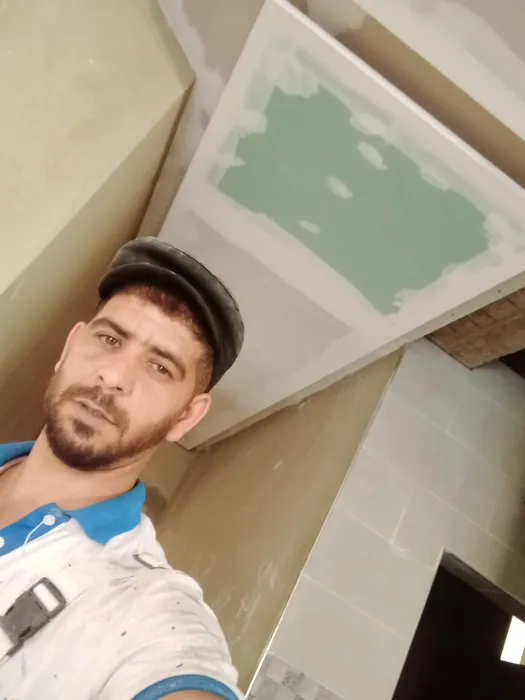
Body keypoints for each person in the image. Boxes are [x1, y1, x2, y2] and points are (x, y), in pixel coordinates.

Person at [0, 237, 245, 699]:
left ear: (186, 417)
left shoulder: (144, 608)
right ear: (69, 346)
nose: (113, 377)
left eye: (160, 368)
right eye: (109, 339)